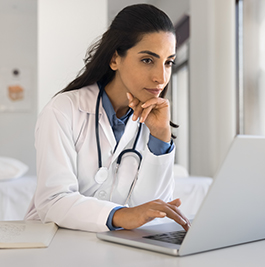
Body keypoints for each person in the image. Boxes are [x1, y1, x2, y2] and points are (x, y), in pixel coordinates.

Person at [25, 4, 190, 232]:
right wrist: (119, 215)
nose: (161, 77)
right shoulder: (64, 110)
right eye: (147, 60)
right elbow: (53, 200)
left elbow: (154, 211)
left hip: (114, 248)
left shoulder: (154, 122)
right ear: (115, 59)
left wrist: (160, 139)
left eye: (168, 62)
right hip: (55, 244)